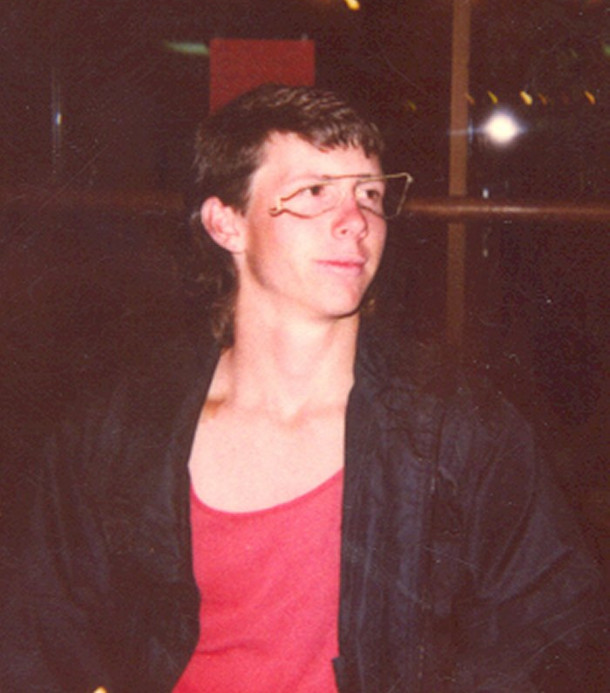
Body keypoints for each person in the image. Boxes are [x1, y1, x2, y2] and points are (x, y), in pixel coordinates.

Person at [1, 84, 607, 693]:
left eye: (369, 193)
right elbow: (38, 641)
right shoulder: (121, 437)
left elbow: (554, 639)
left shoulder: (458, 429)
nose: (356, 222)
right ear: (226, 223)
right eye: (315, 193)